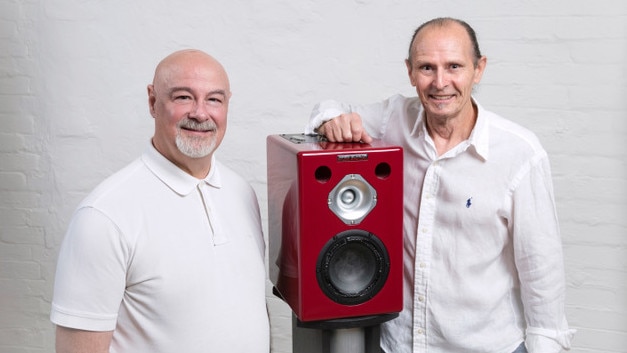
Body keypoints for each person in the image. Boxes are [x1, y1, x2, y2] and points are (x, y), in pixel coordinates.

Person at [306, 18, 575, 353]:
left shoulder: (520, 153)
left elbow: (541, 272)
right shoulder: (394, 119)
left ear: (479, 69)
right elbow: (330, 109)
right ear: (409, 72)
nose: (440, 82)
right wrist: (332, 121)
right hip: (398, 345)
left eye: (454, 66)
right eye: (426, 68)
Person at [50, 49, 270, 353]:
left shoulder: (241, 192)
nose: (200, 113)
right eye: (183, 97)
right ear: (153, 102)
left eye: (214, 99)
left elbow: (247, 312)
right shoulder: (103, 216)